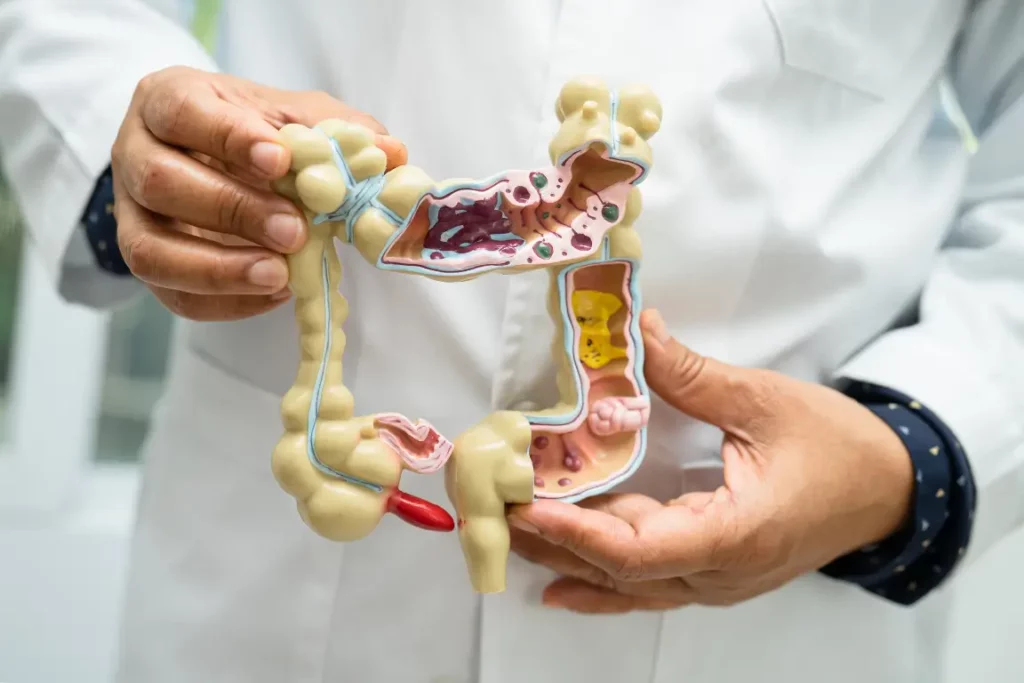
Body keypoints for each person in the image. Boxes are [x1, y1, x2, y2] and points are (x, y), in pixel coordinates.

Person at [2, 1, 1022, 681]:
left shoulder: (571, 214)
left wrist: (916, 451)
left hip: (776, 622)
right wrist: (130, 160)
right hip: (278, 592)